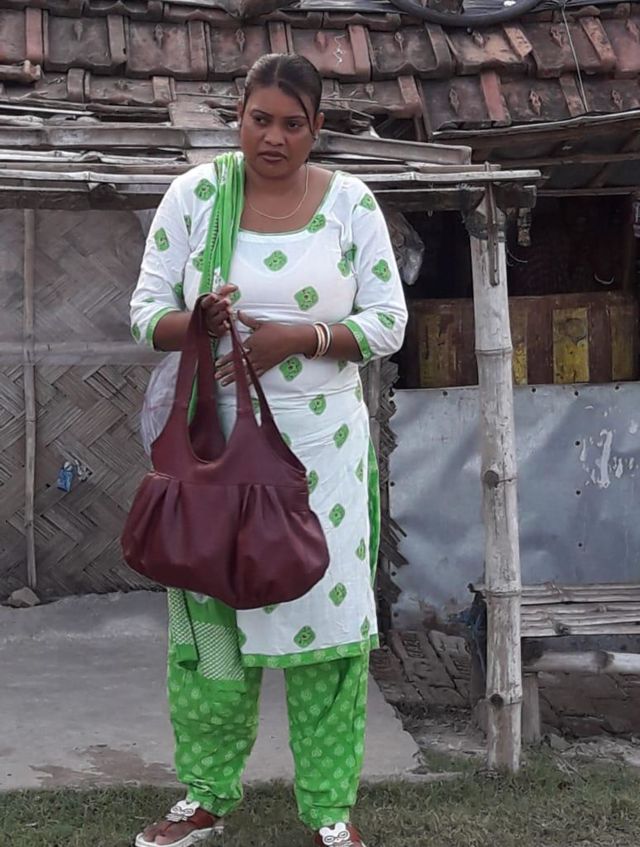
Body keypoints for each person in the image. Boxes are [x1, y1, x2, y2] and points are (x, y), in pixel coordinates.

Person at [129, 53, 407, 847]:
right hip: (216, 462)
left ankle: (330, 812)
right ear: (238, 118)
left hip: (324, 461)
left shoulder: (352, 204)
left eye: (292, 123)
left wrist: (303, 337)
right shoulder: (197, 198)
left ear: (317, 128)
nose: (273, 137)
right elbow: (145, 314)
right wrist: (199, 320)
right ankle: (206, 797)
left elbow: (389, 322)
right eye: (260, 120)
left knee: (328, 640)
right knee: (214, 641)